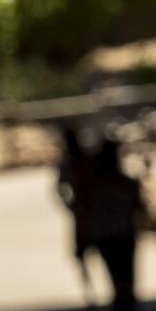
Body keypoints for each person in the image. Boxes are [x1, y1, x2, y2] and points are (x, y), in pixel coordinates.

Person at [83, 128, 143, 311]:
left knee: (119, 287)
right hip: (121, 238)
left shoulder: (97, 187)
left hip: (109, 239)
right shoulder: (123, 183)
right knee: (126, 287)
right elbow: (139, 208)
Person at [56, 121, 102, 298]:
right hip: (88, 213)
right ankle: (91, 293)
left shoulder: (78, 161)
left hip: (87, 214)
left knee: (84, 256)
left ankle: (90, 293)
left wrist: (71, 206)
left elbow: (60, 188)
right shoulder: (84, 159)